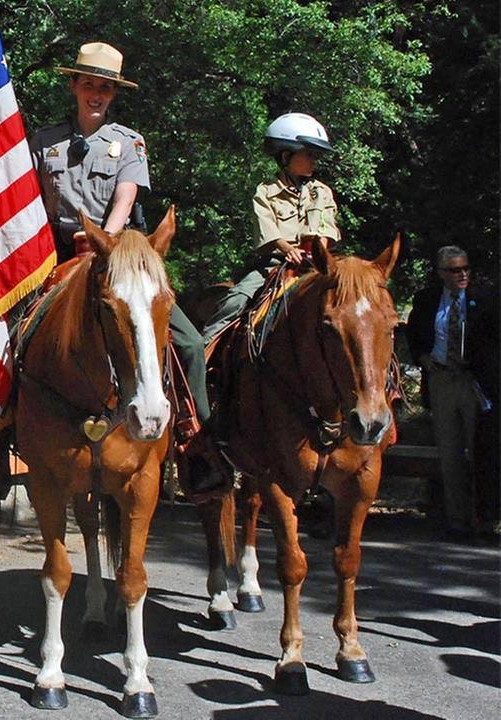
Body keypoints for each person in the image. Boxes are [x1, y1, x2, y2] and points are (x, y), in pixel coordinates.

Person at [20, 41, 221, 497]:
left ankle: (197, 440)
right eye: (89, 84)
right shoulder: (42, 141)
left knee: (187, 341)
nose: (96, 94)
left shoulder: (127, 142)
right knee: (5, 332)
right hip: (53, 251)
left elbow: (126, 197)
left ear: (114, 94)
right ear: (73, 85)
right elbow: (28, 202)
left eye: (106, 88)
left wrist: (102, 242)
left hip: (120, 253)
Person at [201, 112, 340, 344]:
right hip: (275, 265)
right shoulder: (265, 191)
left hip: (318, 264)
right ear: (286, 155)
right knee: (236, 299)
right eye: (308, 154)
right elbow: (267, 229)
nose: (314, 160)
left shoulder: (322, 192)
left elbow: (327, 227)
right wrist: (288, 249)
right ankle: (205, 350)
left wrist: (318, 253)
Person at [407, 246, 499, 542]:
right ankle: (456, 521)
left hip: (475, 382)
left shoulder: (485, 300)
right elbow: (415, 334)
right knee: (450, 454)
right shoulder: (426, 300)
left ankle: (485, 519)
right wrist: (423, 357)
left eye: (466, 269)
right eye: (455, 270)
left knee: (483, 450)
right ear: (441, 273)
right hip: (442, 380)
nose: (462, 275)